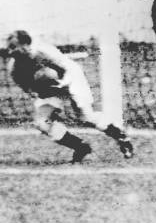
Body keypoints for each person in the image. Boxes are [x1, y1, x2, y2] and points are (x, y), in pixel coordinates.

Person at [3, 30, 134, 163]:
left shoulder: (43, 52)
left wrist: (59, 83)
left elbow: (65, 69)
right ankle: (80, 147)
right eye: (9, 47)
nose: (10, 51)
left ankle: (121, 136)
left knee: (86, 117)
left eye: (14, 46)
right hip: (50, 89)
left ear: (26, 44)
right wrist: (39, 90)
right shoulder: (14, 68)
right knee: (43, 123)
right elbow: (28, 88)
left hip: (71, 78)